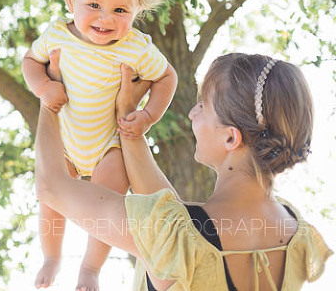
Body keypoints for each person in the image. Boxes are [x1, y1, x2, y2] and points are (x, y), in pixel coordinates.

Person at [35, 51, 332, 290]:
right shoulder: (298, 234)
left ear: (231, 137)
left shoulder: (179, 235)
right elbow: (174, 218)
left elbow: (50, 185)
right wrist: (127, 119)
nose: (192, 113)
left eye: (202, 105)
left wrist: (49, 100)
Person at [22, 0, 178, 290]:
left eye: (120, 9)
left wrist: (149, 115)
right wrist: (44, 87)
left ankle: (91, 268)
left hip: (108, 142)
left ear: (138, 9)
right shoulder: (59, 35)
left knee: (110, 195)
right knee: (50, 198)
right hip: (65, 140)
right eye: (93, 5)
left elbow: (167, 77)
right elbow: (30, 62)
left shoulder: (136, 47)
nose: (105, 18)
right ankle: (52, 256)